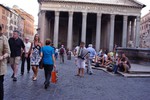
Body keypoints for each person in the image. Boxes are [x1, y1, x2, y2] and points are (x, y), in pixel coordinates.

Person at [0, 25, 10, 100]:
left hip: (0, 66)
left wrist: (2, 57)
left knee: (0, 86)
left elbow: (7, 52)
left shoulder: (3, 38)